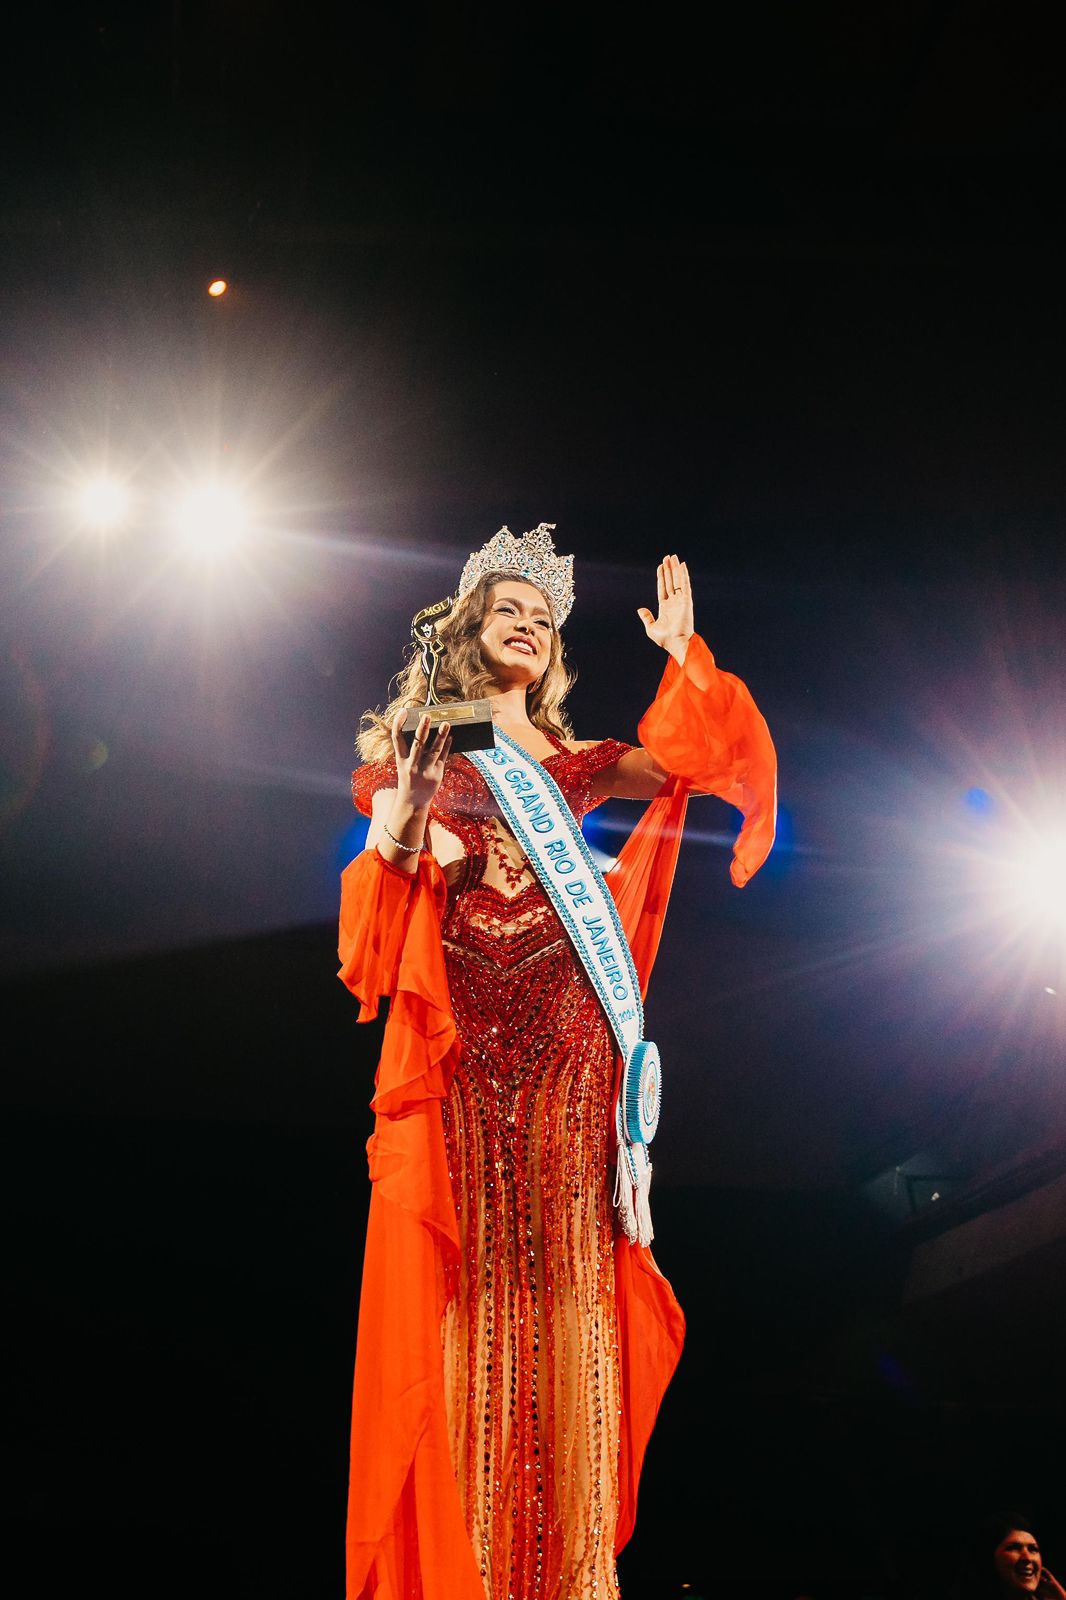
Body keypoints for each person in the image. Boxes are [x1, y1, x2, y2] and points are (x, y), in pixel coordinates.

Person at [338, 524, 776, 1600]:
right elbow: (389, 850)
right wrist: (411, 822)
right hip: (470, 1036)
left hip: (574, 1045)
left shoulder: (571, 765)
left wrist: (686, 659)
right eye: (507, 613)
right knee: (474, 1283)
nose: (528, 627)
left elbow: (693, 765)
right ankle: (467, 1566)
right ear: (466, 633)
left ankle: (564, 1569)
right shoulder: (419, 742)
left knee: (565, 1283)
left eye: (542, 619)